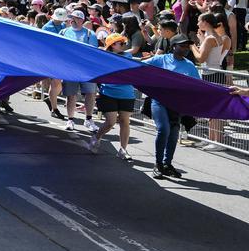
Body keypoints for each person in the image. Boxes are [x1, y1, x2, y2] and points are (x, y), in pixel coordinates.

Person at [143, 35, 200, 178]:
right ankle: (158, 164)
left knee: (174, 135)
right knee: (164, 130)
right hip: (159, 101)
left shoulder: (189, 65)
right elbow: (141, 67)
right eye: (182, 46)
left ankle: (167, 164)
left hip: (177, 105)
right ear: (173, 46)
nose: (186, 49)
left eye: (187, 46)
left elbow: (199, 85)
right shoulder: (161, 59)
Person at [88, 34, 136, 161]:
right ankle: (96, 137)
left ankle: (123, 150)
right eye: (121, 43)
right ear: (112, 45)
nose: (124, 45)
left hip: (127, 94)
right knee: (110, 122)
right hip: (108, 93)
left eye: (124, 43)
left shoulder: (128, 56)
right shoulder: (104, 57)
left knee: (125, 121)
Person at [190, 12, 232, 150]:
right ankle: (212, 139)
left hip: (212, 74)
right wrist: (200, 41)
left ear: (205, 22)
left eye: (199, 21)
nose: (197, 23)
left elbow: (200, 58)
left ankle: (217, 141)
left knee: (214, 108)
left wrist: (192, 46)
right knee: (211, 108)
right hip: (213, 72)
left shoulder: (210, 38)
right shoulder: (214, 36)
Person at [59, 10, 100, 132]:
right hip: (69, 69)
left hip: (86, 70)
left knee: (90, 94)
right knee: (71, 95)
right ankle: (70, 120)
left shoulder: (90, 34)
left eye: (76, 18)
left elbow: (93, 52)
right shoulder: (63, 32)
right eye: (71, 17)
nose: (72, 20)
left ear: (82, 20)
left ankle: (88, 119)